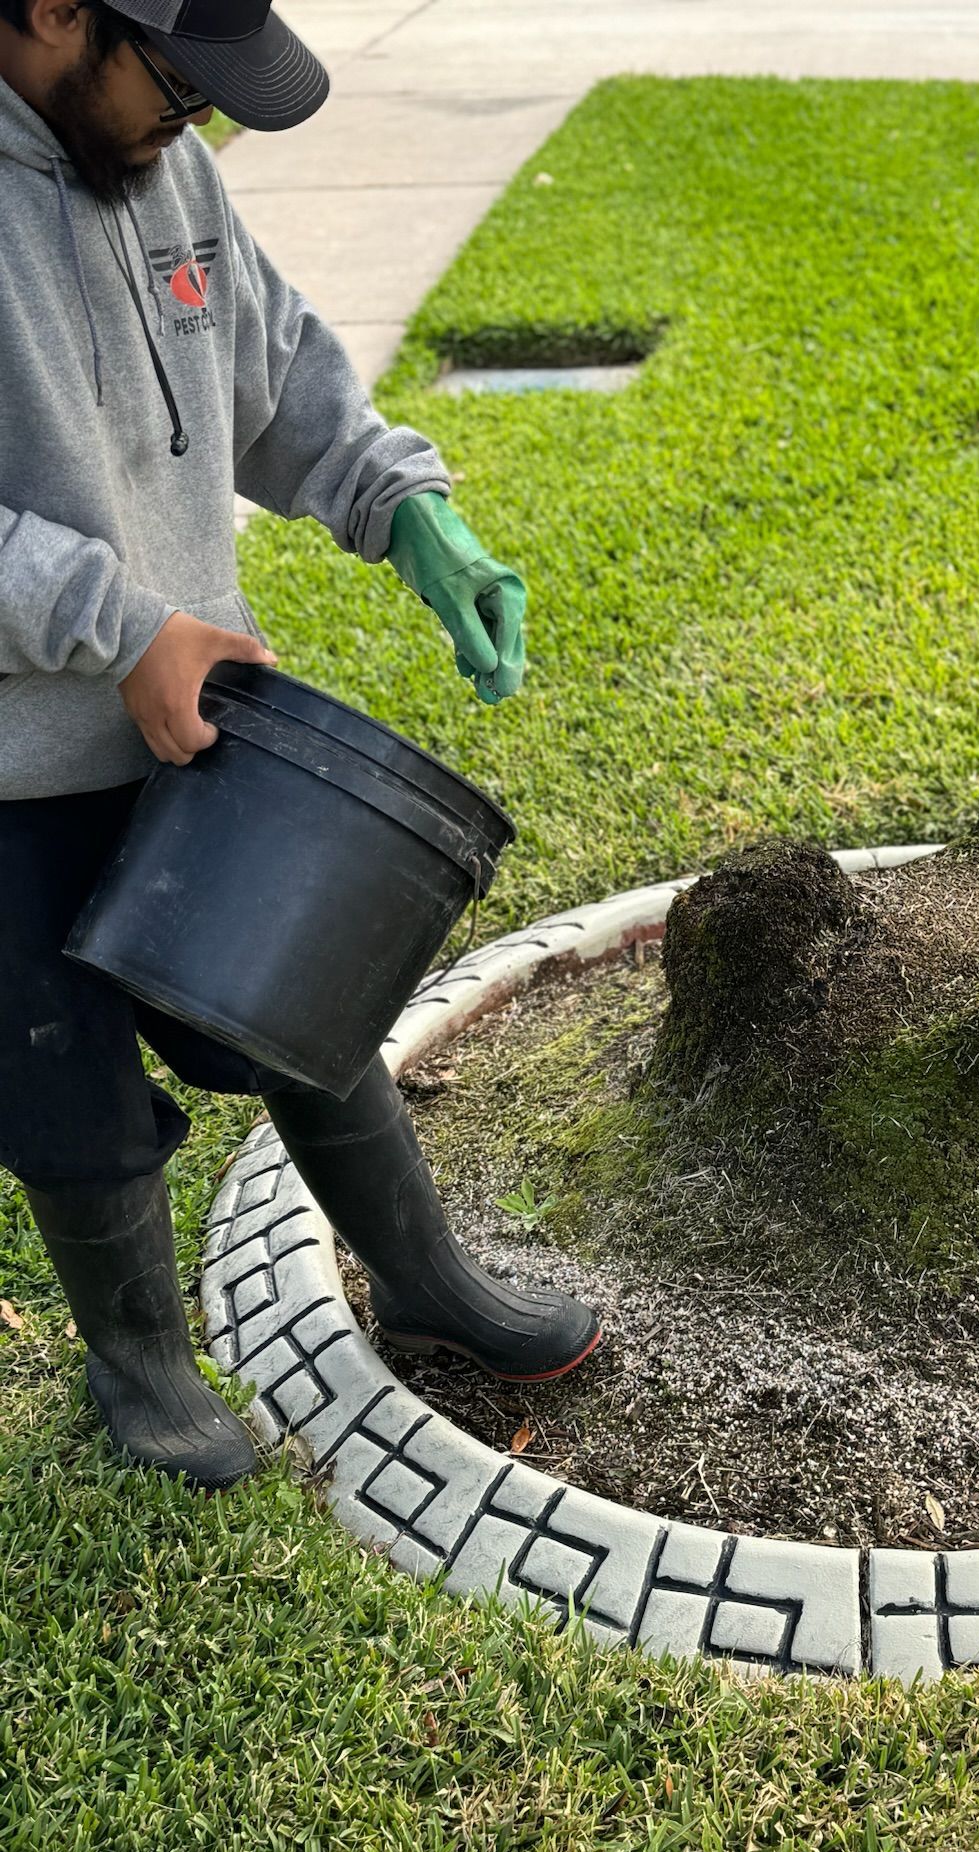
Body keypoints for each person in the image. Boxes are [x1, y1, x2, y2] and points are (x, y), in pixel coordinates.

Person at [0, 0, 602, 1491]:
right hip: (8, 776)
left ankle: (424, 1278)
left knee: (301, 997)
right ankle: (139, 1362)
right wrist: (117, 625)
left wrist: (409, 509)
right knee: (60, 1086)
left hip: (186, 720)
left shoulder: (155, 165)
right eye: (183, 83)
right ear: (55, 10)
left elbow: (275, 369)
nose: (200, 124)